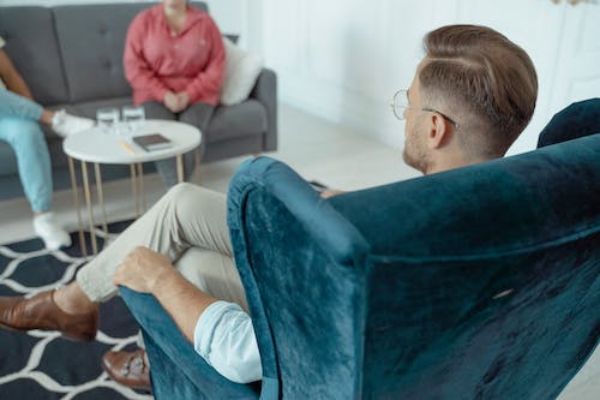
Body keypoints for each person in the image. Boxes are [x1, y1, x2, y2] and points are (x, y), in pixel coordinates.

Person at [0, 24, 538, 390]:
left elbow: (244, 355)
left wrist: (159, 280)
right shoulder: (524, 205)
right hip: (338, 274)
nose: (404, 117)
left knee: (182, 264)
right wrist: (346, 206)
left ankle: (128, 339)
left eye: (408, 105)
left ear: (435, 128)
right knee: (182, 203)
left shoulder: (401, 248)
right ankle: (73, 303)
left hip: (314, 326)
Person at [0, 37, 94, 250]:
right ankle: (53, 119)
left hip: (5, 112)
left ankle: (44, 216)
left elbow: (10, 75)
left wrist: (28, 110)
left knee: (29, 132)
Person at [124, 0, 226, 187]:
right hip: (153, 94)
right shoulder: (143, 21)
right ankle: (178, 191)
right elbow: (133, 68)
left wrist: (189, 94)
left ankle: (175, 194)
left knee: (192, 133)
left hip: (199, 94)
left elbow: (216, 67)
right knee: (161, 135)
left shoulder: (206, 23)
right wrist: (164, 94)